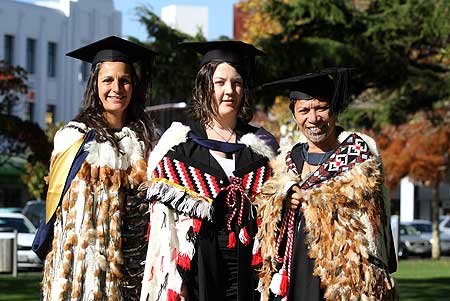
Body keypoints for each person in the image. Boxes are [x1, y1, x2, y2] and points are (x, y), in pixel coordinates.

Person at [140, 41, 279, 301]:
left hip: (249, 275)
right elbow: (164, 229)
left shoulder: (263, 150)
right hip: (197, 278)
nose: (230, 91)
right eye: (220, 83)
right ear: (205, 86)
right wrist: (172, 279)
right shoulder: (180, 147)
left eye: (236, 83)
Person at [253, 68, 397, 301]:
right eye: (304, 110)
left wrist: (317, 200)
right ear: (294, 114)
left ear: (335, 109)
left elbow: (374, 224)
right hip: (294, 273)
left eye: (321, 107)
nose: (313, 118)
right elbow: (266, 215)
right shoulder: (288, 160)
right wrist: (284, 197)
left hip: (344, 276)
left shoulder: (358, 154)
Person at [39, 36, 157, 301]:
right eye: (108, 80)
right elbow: (60, 218)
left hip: (139, 270)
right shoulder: (74, 139)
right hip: (87, 275)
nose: (117, 88)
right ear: (95, 84)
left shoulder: (149, 144)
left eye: (124, 80)